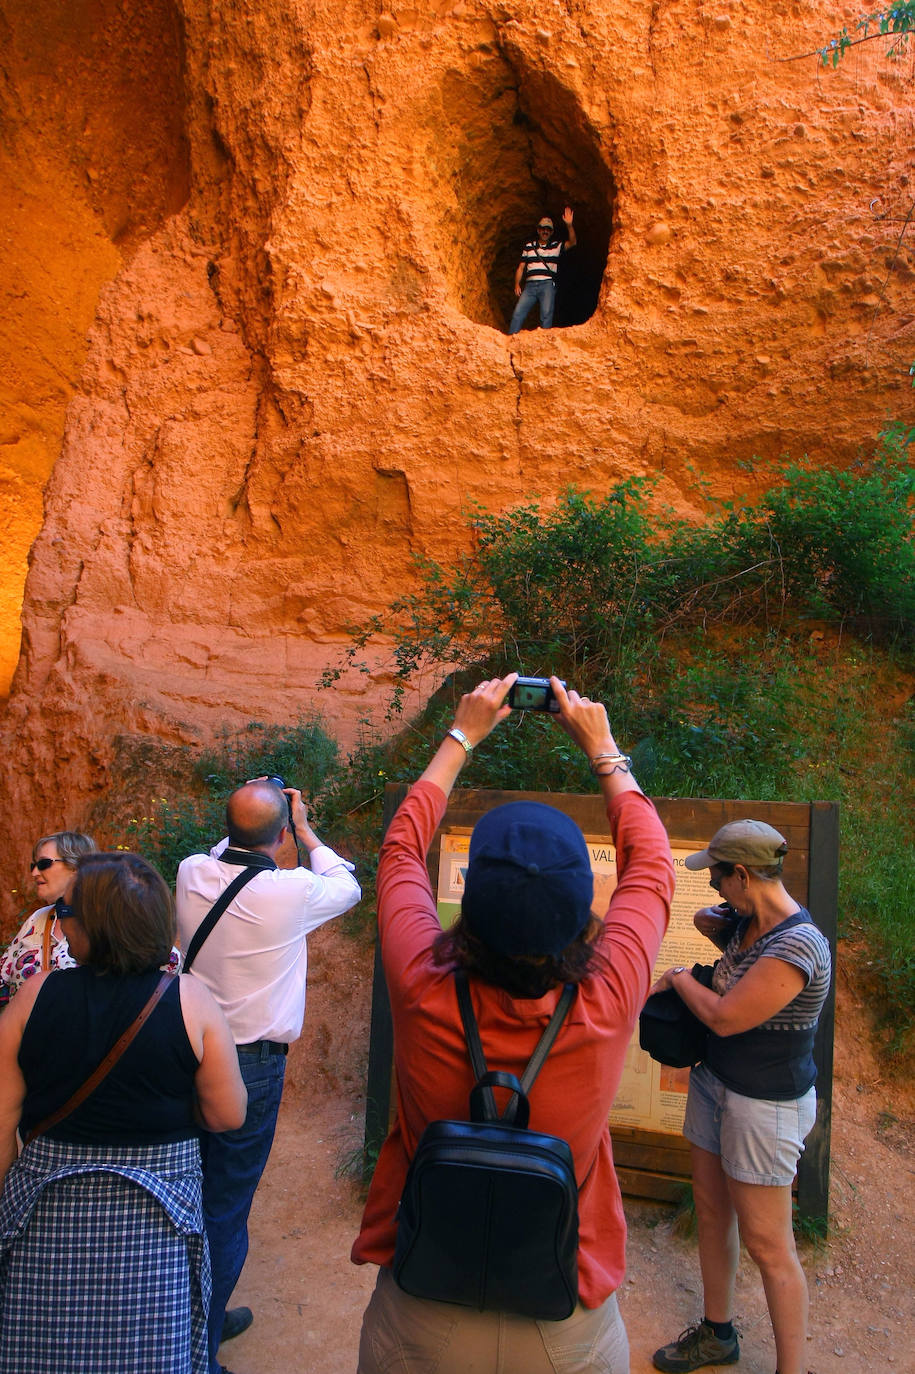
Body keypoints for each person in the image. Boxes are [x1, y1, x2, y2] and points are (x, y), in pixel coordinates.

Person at [352, 673, 675, 1373]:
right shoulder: (609, 991)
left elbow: (400, 851)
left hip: (423, 1304)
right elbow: (651, 866)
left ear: (470, 900)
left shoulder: (419, 979)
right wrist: (603, 749)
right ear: (580, 904)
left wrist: (462, 734)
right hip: (562, 1318)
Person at [0, 851, 247, 1374]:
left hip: (47, 1222)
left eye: (68, 915)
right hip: (154, 1229)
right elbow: (228, 1115)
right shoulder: (191, 1000)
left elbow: (2, 1123)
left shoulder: (34, 996)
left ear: (91, 926)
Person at [176, 778, 361, 1374]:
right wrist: (305, 830)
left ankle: (197, 1309)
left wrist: (269, 817)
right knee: (226, 1204)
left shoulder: (189, 873)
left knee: (187, 1190)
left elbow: (220, 848)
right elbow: (348, 885)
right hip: (248, 1066)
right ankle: (198, 1352)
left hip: (182, 1055)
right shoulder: (290, 891)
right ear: (281, 835)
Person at [650, 820, 831, 1374]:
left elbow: (725, 1018)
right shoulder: (747, 922)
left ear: (744, 874)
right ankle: (717, 1333)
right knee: (712, 1212)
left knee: (769, 1245)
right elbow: (713, 922)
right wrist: (728, 916)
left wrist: (680, 978)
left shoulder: (798, 945)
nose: (713, 890)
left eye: (719, 879)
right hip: (716, 1085)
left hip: (764, 1107)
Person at [0, 830, 96, 1006]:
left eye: (44, 864)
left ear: (76, 867)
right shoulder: (37, 919)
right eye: (33, 866)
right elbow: (2, 979)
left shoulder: (108, 922)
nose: (34, 872)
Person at [508, 206, 576, 334]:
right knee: (518, 313)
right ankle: (511, 341)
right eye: (543, 229)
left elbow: (572, 242)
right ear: (538, 230)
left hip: (547, 285)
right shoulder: (529, 247)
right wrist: (517, 284)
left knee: (546, 315)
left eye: (548, 230)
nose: (545, 231)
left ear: (551, 232)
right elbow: (521, 267)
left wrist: (569, 226)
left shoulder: (556, 246)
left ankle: (544, 346)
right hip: (530, 286)